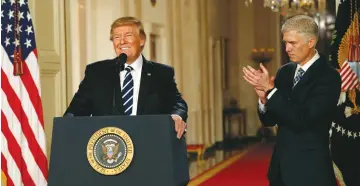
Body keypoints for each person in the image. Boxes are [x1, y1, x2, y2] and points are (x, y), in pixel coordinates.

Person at [243, 15, 341, 186]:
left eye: (292, 43)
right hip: (280, 170)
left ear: (311, 42)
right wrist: (264, 98)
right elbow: (270, 120)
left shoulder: (328, 76)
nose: (287, 48)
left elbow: (303, 119)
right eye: (285, 43)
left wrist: (271, 91)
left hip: (311, 171)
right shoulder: (285, 72)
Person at [64, 16, 188, 139]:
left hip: (149, 143)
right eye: (117, 37)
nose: (122, 41)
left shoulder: (161, 73)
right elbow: (76, 109)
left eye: (128, 35)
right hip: (109, 148)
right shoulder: (97, 72)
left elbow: (177, 103)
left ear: (142, 40)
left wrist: (177, 116)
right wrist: (66, 124)